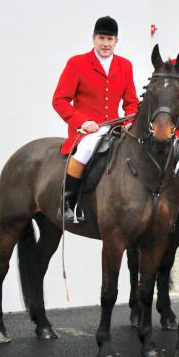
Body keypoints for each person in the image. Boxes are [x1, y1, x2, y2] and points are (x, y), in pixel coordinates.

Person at [52, 15, 139, 223]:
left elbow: (131, 102)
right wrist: (82, 122)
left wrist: (130, 121)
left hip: (115, 127)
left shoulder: (125, 65)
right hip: (87, 130)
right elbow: (60, 100)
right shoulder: (77, 63)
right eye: (101, 38)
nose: (105, 43)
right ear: (93, 39)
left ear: (116, 41)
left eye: (110, 39)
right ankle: (68, 202)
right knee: (87, 149)